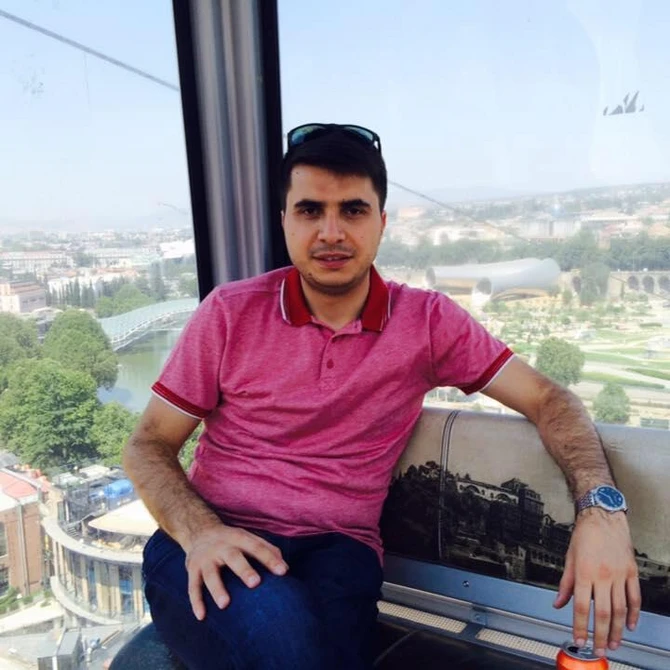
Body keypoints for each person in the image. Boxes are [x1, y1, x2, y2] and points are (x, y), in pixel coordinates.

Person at [123, 123, 641, 670]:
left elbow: (549, 399)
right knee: (284, 638)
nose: (331, 232)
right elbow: (147, 444)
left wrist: (600, 511)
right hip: (212, 534)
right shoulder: (231, 313)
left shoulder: (426, 322)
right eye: (309, 211)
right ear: (285, 221)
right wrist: (201, 532)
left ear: (381, 222)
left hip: (338, 549)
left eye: (353, 210)